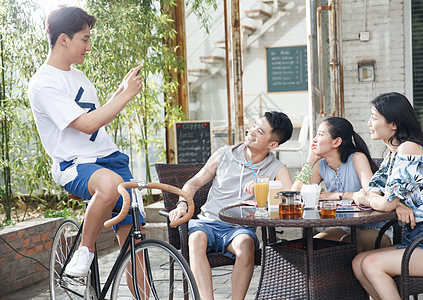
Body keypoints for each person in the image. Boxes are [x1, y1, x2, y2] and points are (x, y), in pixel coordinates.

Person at [28, 6, 144, 277]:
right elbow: (87, 124)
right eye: (85, 39)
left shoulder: (77, 76)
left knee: (137, 249)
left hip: (111, 159)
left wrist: (121, 91)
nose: (88, 47)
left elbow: (96, 118)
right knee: (109, 185)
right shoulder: (44, 82)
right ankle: (85, 250)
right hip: (76, 164)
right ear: (64, 39)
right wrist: (126, 97)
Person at [169, 111, 294, 300]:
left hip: (240, 228)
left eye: (259, 131)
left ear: (272, 144)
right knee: (195, 239)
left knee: (245, 245)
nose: (251, 131)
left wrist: (268, 186)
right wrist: (181, 205)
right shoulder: (224, 154)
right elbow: (193, 184)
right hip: (208, 222)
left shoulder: (276, 167)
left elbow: (291, 195)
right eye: (253, 125)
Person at [352, 92, 423, 300]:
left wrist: (375, 200)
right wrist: (396, 204)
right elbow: (374, 189)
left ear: (393, 124)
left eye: (374, 117)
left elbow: (381, 200)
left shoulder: (409, 148)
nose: (369, 123)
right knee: (358, 263)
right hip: (417, 238)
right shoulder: (393, 155)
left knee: (370, 264)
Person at [291, 117, 390, 251]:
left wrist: (330, 196)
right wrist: (310, 160)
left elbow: (370, 193)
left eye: (320, 134)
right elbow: (295, 195)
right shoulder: (321, 165)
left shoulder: (357, 158)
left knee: (347, 244)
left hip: (375, 227)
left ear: (336, 142)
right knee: (313, 245)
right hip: (344, 227)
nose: (314, 139)